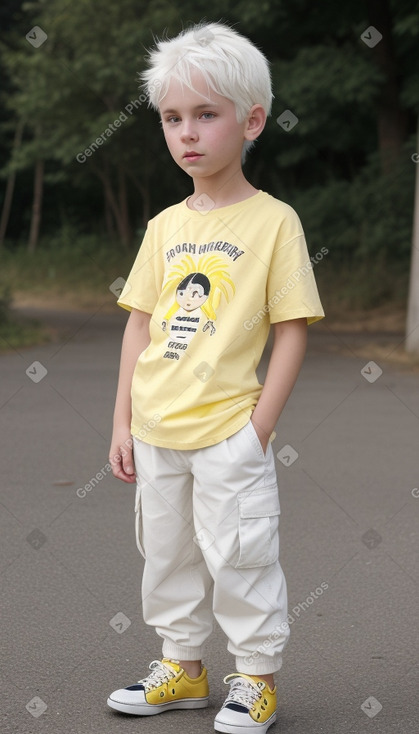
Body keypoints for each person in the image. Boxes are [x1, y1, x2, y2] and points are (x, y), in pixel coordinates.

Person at [107, 21, 324, 734]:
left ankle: (255, 676)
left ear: (251, 120)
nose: (187, 134)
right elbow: (139, 325)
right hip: (157, 428)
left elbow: (291, 327)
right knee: (164, 556)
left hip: (228, 430)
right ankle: (183, 668)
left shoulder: (274, 222)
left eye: (206, 114)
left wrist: (257, 429)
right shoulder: (164, 226)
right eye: (172, 118)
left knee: (240, 555)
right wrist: (121, 423)